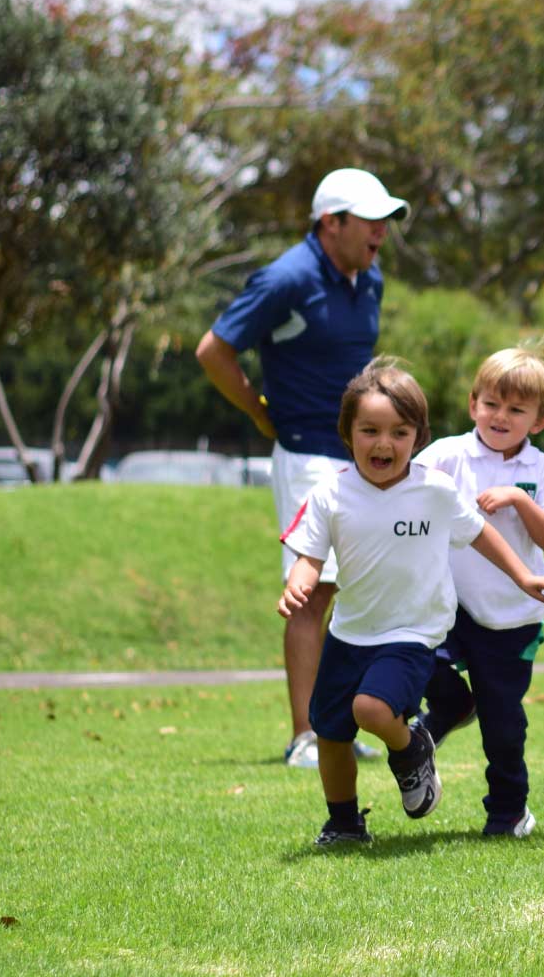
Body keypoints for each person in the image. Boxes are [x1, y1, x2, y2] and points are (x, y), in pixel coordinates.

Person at [276, 359, 544, 846]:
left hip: (412, 633)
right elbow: (309, 556)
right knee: (330, 732)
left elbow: (480, 535)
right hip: (348, 633)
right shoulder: (330, 493)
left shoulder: (434, 488)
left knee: (371, 708)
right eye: (369, 430)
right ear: (347, 432)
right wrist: (298, 584)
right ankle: (344, 822)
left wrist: (524, 575)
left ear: (417, 436)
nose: (383, 444)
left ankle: (411, 751)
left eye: (399, 432)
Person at [197, 167, 409, 769]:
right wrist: (259, 413)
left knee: (355, 589)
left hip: (361, 459)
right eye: (369, 221)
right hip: (306, 456)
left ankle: (335, 725)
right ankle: (306, 737)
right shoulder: (287, 277)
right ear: (330, 223)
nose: (381, 232)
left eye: (386, 221)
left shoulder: (369, 280)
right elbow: (214, 350)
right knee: (311, 592)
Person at [411, 347, 544, 838]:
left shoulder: (542, 470)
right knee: (416, 664)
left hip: (511, 617)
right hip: (445, 604)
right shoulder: (444, 456)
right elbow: (404, 496)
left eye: (517, 409)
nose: (501, 416)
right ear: (473, 402)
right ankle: (452, 707)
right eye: (492, 403)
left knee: (503, 724)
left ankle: (507, 812)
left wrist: (520, 499)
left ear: (538, 420)